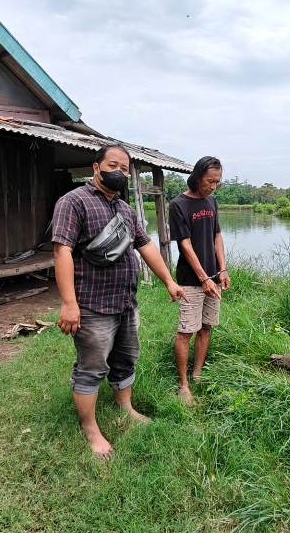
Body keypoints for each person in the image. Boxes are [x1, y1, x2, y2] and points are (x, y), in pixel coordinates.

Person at [52, 145, 186, 458]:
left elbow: (146, 245)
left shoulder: (124, 210)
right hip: (92, 304)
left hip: (126, 301)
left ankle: (125, 406)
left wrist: (169, 280)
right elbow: (62, 252)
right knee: (92, 367)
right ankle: (91, 428)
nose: (120, 173)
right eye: (114, 165)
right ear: (96, 167)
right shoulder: (74, 202)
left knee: (126, 358)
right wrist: (69, 303)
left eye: (125, 169)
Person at [169, 156, 230, 404]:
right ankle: (183, 384)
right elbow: (185, 245)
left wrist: (222, 270)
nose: (213, 186)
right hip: (190, 280)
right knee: (186, 331)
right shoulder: (178, 205)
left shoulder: (212, 201)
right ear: (196, 177)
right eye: (209, 181)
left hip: (213, 278)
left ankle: (197, 373)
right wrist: (203, 277)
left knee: (206, 327)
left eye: (217, 182)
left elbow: (217, 236)